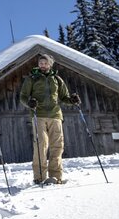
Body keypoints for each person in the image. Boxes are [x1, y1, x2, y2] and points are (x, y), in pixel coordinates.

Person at [19, 54, 80, 184]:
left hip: (55, 115)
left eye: (45, 63)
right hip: (38, 115)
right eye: (40, 62)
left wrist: (72, 100)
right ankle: (39, 177)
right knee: (41, 145)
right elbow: (23, 96)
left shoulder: (57, 79)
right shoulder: (32, 78)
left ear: (50, 64)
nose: (42, 65)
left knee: (57, 146)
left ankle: (56, 176)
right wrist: (29, 103)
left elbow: (64, 97)